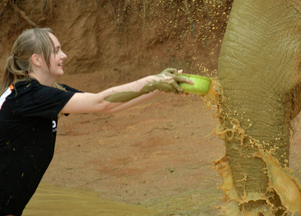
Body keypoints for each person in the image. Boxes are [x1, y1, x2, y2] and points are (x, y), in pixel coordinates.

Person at [0, 27, 193, 216]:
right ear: (37, 59)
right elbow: (101, 102)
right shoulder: (25, 95)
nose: (64, 55)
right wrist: (153, 80)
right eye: (56, 50)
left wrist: (161, 87)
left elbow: (109, 104)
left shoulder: (45, 93)